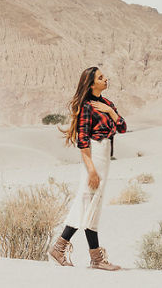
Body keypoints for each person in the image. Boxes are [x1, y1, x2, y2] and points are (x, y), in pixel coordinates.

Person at [49, 66, 127, 270]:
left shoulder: (107, 104)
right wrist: (91, 170)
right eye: (101, 77)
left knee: (92, 202)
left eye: (104, 76)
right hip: (94, 155)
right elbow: (83, 141)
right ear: (91, 84)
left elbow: (122, 127)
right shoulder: (86, 107)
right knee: (87, 201)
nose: (106, 79)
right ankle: (82, 254)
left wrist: (110, 111)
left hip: (104, 156)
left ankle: (84, 254)